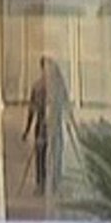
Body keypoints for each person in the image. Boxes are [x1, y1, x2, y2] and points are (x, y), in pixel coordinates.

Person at [24, 56, 68, 195]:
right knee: (41, 156)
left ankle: (54, 183)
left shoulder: (58, 86)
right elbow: (32, 109)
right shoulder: (38, 87)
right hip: (42, 127)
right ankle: (42, 184)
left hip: (54, 127)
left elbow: (65, 106)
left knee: (55, 155)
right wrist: (27, 129)